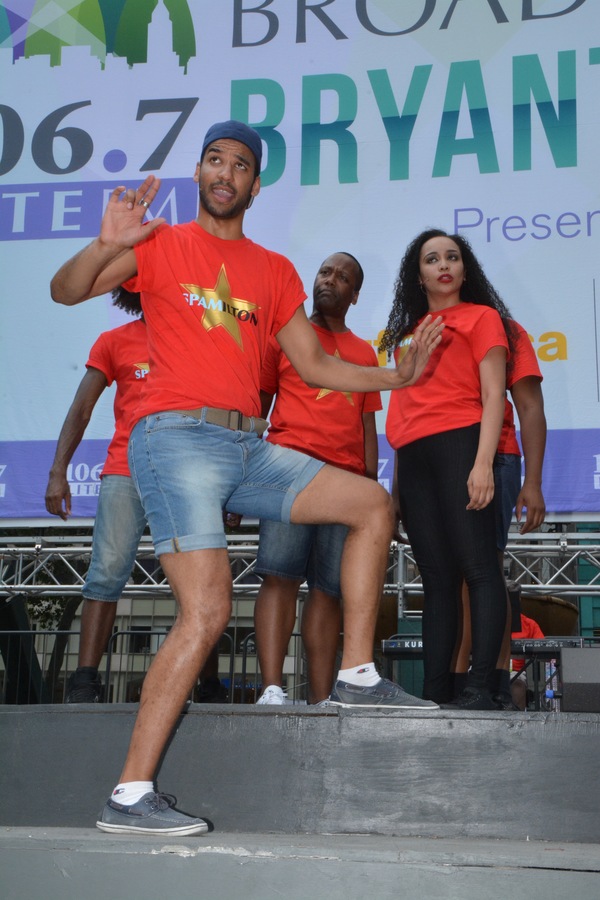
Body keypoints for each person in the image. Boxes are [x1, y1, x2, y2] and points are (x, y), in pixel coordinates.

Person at [50, 120, 444, 836]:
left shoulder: (273, 271)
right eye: (214, 160)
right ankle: (130, 794)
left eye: (239, 164)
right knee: (204, 612)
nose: (225, 172)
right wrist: (109, 242)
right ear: (199, 174)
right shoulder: (160, 244)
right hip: (173, 439)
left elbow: (317, 366)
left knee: (369, 502)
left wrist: (395, 373)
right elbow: (63, 291)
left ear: (254, 185)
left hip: (247, 445)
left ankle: (356, 674)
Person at [381, 228, 514, 710]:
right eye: (432, 259)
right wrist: (395, 494)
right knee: (435, 580)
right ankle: (435, 693)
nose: (443, 265)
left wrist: (481, 464)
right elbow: (401, 414)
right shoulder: (408, 336)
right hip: (413, 458)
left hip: (462, 442)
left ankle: (480, 687)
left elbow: (495, 394)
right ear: (417, 275)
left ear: (464, 268)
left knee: (479, 568)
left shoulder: (483, 319)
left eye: (452, 257)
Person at [254, 252, 381, 707]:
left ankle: (323, 699)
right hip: (286, 471)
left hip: (345, 487)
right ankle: (271, 689)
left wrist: (372, 492)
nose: (331, 279)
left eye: (343, 276)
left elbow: (367, 429)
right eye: (326, 271)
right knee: (279, 578)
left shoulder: (366, 353)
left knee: (328, 592)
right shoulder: (286, 336)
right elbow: (259, 405)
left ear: (355, 294)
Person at [45, 289, 148, 703]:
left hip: (183, 473)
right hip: (125, 470)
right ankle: (84, 680)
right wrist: (58, 471)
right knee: (105, 573)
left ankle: (208, 681)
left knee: (196, 580)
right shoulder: (115, 340)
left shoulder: (199, 337)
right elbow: (82, 407)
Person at [451, 319, 547, 708]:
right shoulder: (429, 326)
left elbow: (529, 404)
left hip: (498, 458)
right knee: (450, 574)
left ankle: (497, 680)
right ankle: (456, 683)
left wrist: (534, 481)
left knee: (486, 569)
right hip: (443, 460)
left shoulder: (506, 328)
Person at [510, 613, 545, 710]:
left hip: (516, 672)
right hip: (489, 669)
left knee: (517, 687)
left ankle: (518, 721)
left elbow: (544, 649)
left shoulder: (529, 624)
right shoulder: (488, 618)